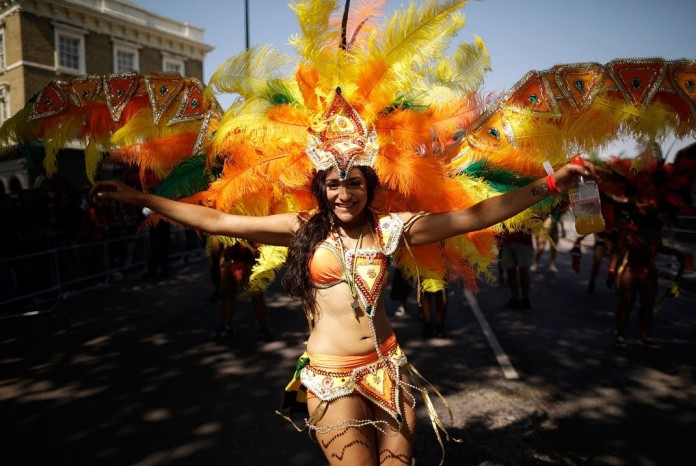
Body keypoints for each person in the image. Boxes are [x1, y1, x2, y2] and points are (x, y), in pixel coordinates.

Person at [91, 150, 592, 464]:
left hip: (388, 369)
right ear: (321, 188)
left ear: (370, 187)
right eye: (333, 183)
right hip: (331, 375)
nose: (343, 192)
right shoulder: (300, 228)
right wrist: (141, 196)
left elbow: (472, 216)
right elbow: (218, 220)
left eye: (354, 183)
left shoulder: (392, 229)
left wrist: (550, 184)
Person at [606, 198, 684, 349]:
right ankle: (620, 335)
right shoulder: (628, 227)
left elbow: (659, 247)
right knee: (626, 302)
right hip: (630, 268)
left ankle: (644, 336)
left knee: (648, 304)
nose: (645, 206)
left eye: (649, 205)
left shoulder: (655, 228)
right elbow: (619, 250)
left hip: (647, 269)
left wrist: (676, 253)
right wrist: (612, 270)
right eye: (642, 203)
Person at [213, 239, 271, 340]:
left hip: (250, 258)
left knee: (257, 295)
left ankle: (262, 327)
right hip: (230, 258)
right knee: (227, 295)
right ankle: (227, 327)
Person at [500, 230, 535, 311]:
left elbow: (540, 217)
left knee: (524, 271)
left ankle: (525, 299)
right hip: (508, 241)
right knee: (510, 271)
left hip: (523, 242)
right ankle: (515, 298)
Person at [531, 209, 566, 273]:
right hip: (543, 228)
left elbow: (560, 219)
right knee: (541, 248)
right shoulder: (544, 206)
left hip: (554, 229)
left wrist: (563, 230)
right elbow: (537, 217)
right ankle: (535, 263)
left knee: (553, 249)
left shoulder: (558, 207)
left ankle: (552, 265)